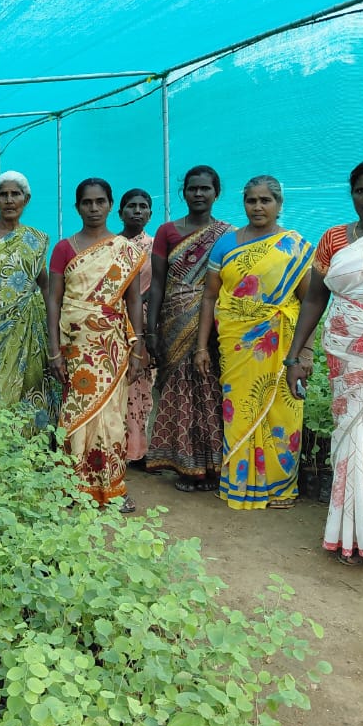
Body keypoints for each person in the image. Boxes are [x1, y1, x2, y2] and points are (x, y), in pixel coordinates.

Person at [196, 176, 314, 510]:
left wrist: (304, 352)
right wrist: (202, 346)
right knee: (239, 409)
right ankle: (241, 483)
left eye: (266, 200)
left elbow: (309, 304)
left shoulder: (294, 246)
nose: (258, 207)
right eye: (252, 200)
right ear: (243, 203)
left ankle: (279, 488)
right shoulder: (226, 245)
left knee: (284, 412)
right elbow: (209, 297)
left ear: (279, 204)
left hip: (283, 345)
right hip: (237, 343)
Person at [285, 160, 363, 563]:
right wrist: (296, 354)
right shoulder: (334, 239)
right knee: (352, 436)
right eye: (361, 190)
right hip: (344, 353)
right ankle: (353, 535)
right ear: (351, 193)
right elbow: (315, 299)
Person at [47, 178, 147, 512]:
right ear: (77, 207)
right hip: (75, 345)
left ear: (109, 205)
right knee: (76, 411)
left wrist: (138, 348)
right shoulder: (64, 248)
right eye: (87, 202)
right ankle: (72, 486)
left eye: (100, 201)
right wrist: (53, 350)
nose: (93, 208)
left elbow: (134, 300)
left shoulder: (124, 250)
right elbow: (54, 300)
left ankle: (111, 488)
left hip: (112, 344)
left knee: (112, 415)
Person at [146, 166, 233, 492]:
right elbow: (157, 283)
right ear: (184, 192)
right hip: (174, 318)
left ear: (216, 193)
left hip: (214, 322)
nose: (198, 194)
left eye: (205, 189)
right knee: (180, 388)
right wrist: (150, 330)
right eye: (193, 188)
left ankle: (213, 465)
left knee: (209, 388)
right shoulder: (167, 231)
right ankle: (184, 465)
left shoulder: (228, 235)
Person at [0, 171, 56, 429]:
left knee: (33, 386)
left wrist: (53, 330)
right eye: (3, 195)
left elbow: (45, 285)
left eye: (15, 194)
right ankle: (1, 446)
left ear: (26, 199)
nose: (9, 200)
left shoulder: (34, 240)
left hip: (30, 329)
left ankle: (34, 447)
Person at [118, 188, 155, 464]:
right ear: (120, 213)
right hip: (113, 324)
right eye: (131, 206)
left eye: (143, 207)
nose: (137, 211)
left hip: (143, 322)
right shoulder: (109, 245)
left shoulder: (156, 247)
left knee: (141, 385)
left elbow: (158, 289)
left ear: (150, 213)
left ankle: (138, 450)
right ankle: (115, 447)